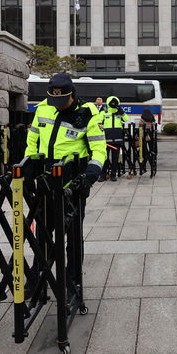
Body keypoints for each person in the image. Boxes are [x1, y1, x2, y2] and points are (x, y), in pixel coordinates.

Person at [24, 73, 106, 283]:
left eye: (62, 100)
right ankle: (38, 278)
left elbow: (99, 149)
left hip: (73, 182)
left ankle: (72, 281)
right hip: (46, 179)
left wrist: (90, 176)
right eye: (54, 100)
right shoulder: (43, 108)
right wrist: (28, 169)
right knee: (43, 231)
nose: (58, 105)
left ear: (72, 94)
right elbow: (32, 140)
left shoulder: (87, 113)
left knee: (73, 235)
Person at [101, 96, 129, 181]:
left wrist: (121, 111)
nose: (113, 104)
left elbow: (126, 119)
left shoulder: (119, 111)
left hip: (117, 139)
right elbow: (98, 122)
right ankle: (103, 175)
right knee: (104, 158)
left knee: (115, 159)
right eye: (112, 102)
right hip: (106, 140)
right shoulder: (104, 112)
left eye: (115, 102)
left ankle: (113, 175)